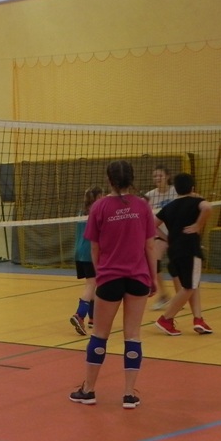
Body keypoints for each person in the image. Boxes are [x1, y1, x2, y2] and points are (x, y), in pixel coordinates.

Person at [70, 160, 157, 409]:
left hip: (110, 278)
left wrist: (101, 275)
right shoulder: (142, 206)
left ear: (109, 180)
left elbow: (94, 248)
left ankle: (89, 390)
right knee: (133, 335)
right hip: (138, 277)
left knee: (100, 334)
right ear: (132, 178)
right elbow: (150, 246)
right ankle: (129, 394)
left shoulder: (99, 207)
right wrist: (152, 278)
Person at [152, 173, 215, 336]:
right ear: (192, 188)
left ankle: (198, 319)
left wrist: (167, 237)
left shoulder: (169, 206)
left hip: (174, 250)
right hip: (189, 249)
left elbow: (152, 225)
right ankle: (166, 319)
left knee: (193, 284)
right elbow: (208, 208)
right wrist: (198, 225)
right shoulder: (196, 202)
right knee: (189, 287)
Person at [69, 186, 103, 336]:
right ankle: (79, 315)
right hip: (89, 253)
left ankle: (93, 318)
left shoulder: (81, 212)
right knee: (91, 285)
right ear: (98, 197)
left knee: (92, 284)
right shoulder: (97, 213)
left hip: (79, 253)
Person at [145, 165, 178, 310]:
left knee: (177, 267)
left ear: (167, 176)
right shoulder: (150, 196)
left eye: (160, 175)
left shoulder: (176, 192)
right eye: (155, 176)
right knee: (154, 262)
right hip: (160, 235)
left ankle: (180, 297)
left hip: (177, 234)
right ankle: (164, 295)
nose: (157, 178)